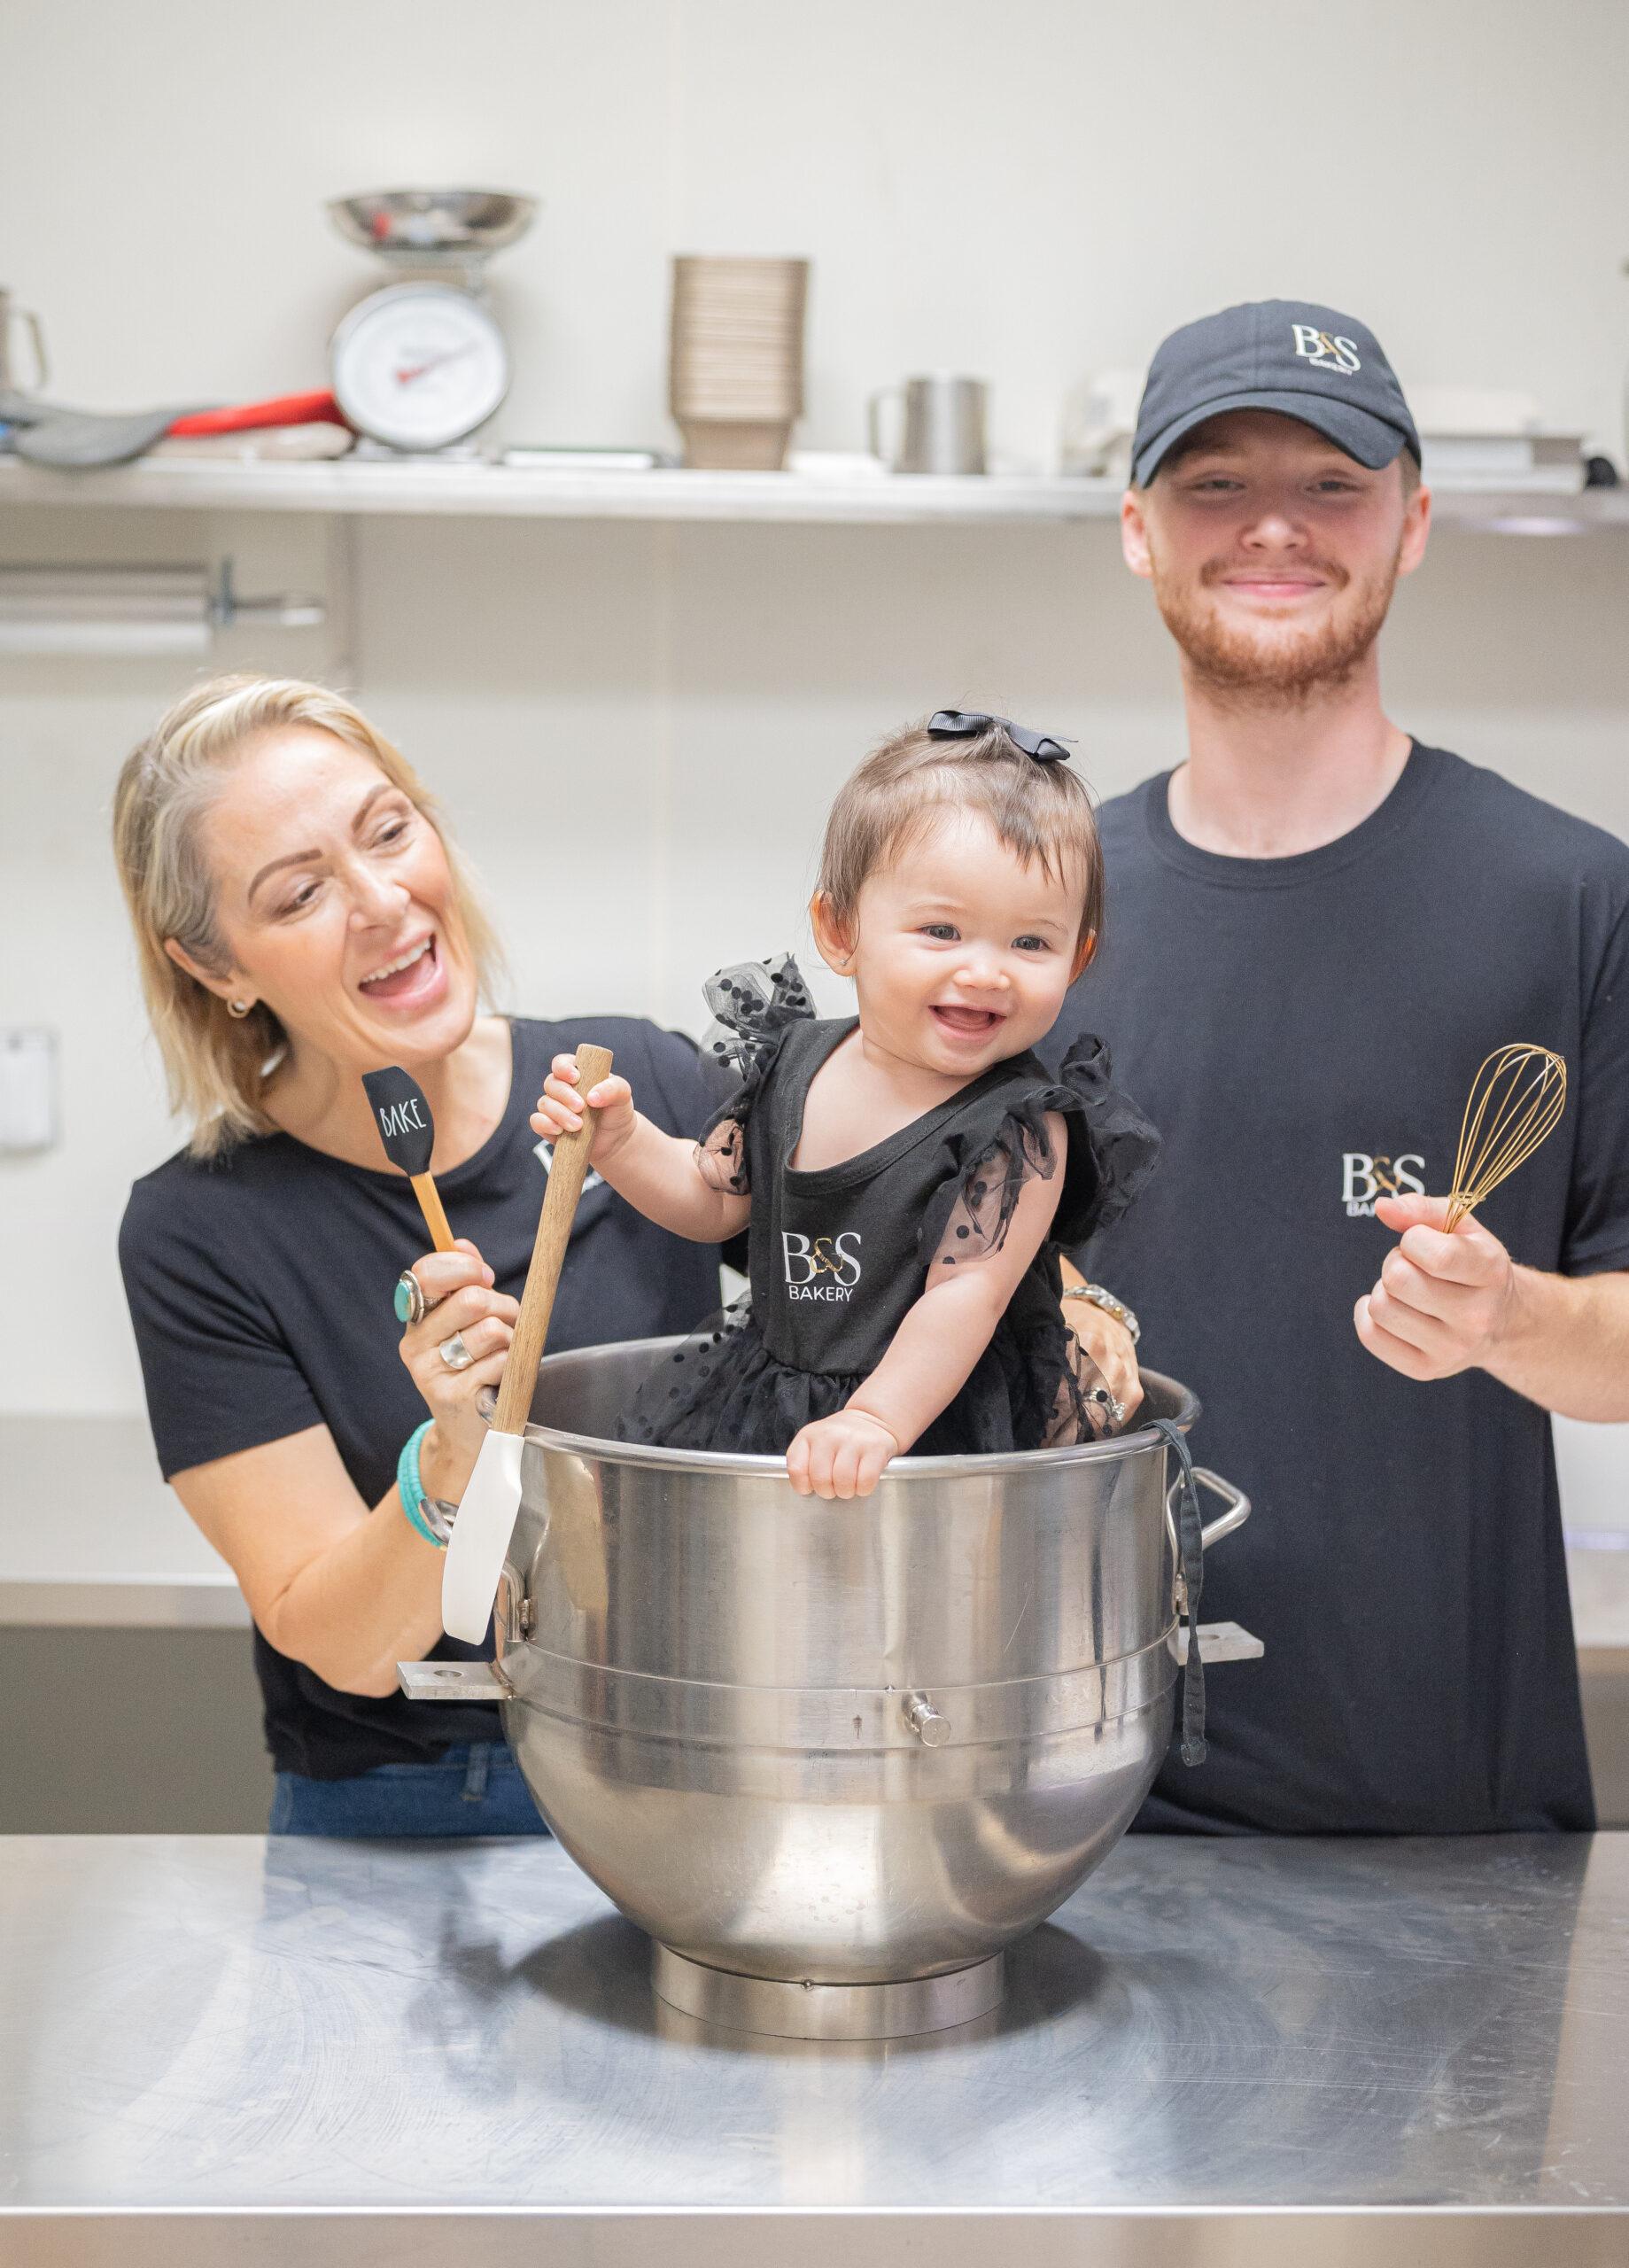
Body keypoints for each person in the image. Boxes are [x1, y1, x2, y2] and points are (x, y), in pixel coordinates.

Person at [1051, 299, 1629, 1835]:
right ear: (1134, 529)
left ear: (1411, 521)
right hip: (1076, 1821)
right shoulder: (1038, 919)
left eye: (1327, 485)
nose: (1270, 531)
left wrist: (1509, 1316)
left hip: (1442, 1817)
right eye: (1213, 486)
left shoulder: (1565, 899)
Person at [114, 674, 737, 1836]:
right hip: (409, 1802)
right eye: (299, 894)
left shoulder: (636, 1090)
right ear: (217, 967)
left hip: (684, 1767)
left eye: (389, 832)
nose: (382, 901)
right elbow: (335, 1640)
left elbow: (863, 1260)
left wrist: (1049, 1279)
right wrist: (448, 1456)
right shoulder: (201, 1232)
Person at [531, 711, 1160, 1500]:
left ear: (1079, 957)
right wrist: (619, 1143)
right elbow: (714, 1202)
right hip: (773, 1395)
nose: (986, 971)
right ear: (840, 929)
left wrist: (876, 1421)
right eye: (941, 929)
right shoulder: (791, 1060)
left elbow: (964, 1296)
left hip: (935, 1430)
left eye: (1029, 943)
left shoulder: (1020, 1126)